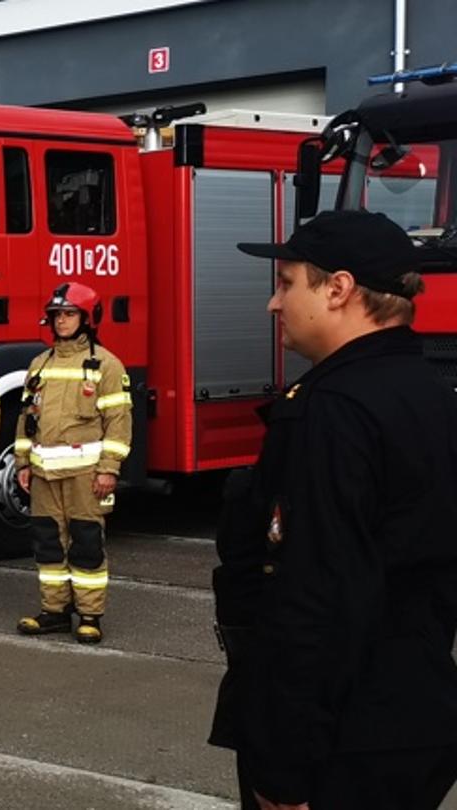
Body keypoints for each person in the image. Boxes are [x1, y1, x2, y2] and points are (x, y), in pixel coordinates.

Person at [212, 210, 457, 809]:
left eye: (288, 283)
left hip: (339, 742)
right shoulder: (432, 394)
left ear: (339, 289)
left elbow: (318, 596)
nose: (275, 303)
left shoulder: (333, 411)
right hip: (412, 718)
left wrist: (284, 768)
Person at [13, 282, 132, 644]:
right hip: (44, 475)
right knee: (47, 544)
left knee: (86, 543)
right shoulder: (40, 363)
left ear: (87, 318)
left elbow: (119, 421)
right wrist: (22, 462)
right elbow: (26, 418)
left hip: (85, 474)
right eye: (57, 315)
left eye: (69, 314)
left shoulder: (106, 365)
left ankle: (90, 615)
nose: (61, 321)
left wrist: (109, 469)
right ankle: (54, 612)